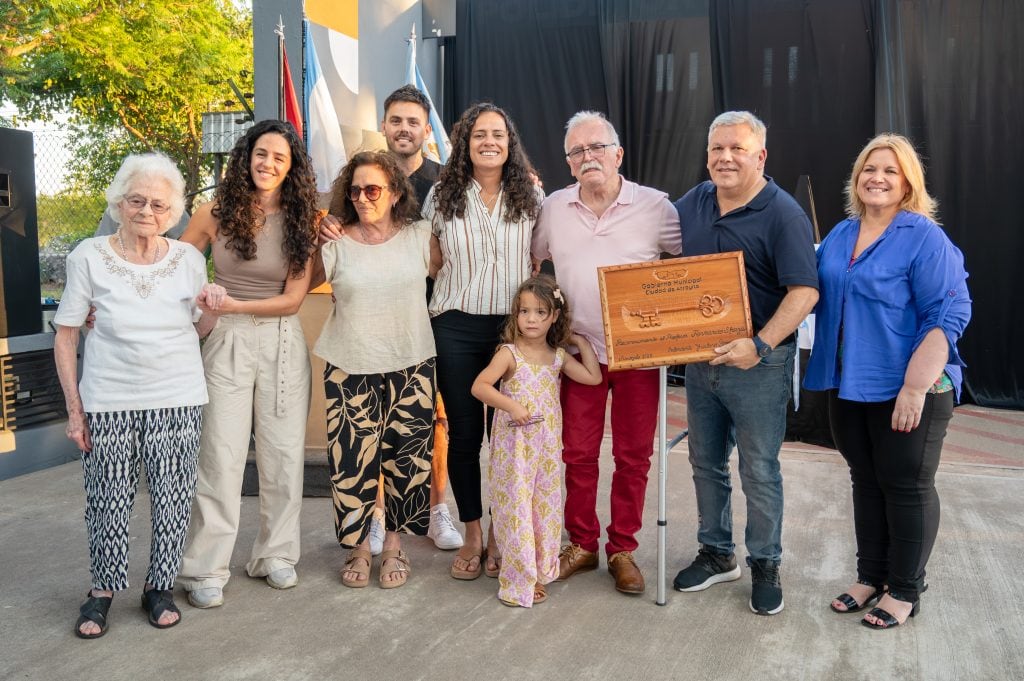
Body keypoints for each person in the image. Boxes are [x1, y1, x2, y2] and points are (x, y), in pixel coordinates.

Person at [804, 134, 971, 629]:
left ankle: (904, 589)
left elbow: (949, 311)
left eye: (890, 171)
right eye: (868, 169)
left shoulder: (922, 235)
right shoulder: (840, 234)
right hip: (848, 383)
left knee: (906, 486)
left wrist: (915, 387)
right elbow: (811, 290)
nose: (877, 178)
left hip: (909, 386)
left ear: (907, 183)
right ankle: (870, 575)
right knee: (866, 481)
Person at [53, 153, 214, 638]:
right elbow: (66, 335)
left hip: (179, 395)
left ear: (174, 212)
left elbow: (201, 329)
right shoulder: (87, 255)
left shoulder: (188, 259)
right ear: (119, 203)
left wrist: (214, 309)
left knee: (173, 496)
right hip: (108, 399)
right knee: (107, 499)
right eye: (137, 200)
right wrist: (74, 412)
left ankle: (159, 586)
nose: (147, 211)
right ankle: (102, 590)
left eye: (159, 205)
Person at [671, 111, 819, 615]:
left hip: (759, 365)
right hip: (701, 364)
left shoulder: (784, 214)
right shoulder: (693, 203)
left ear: (761, 156)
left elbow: (804, 292)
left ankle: (765, 562)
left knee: (758, 469)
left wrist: (758, 345)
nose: (725, 158)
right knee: (705, 464)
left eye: (737, 148)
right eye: (717, 149)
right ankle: (717, 554)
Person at [531, 111, 681, 595]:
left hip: (639, 352)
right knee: (576, 453)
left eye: (596, 147)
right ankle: (582, 542)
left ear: (618, 154)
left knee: (633, 456)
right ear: (569, 163)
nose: (587, 157)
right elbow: (534, 261)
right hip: (578, 351)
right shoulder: (553, 207)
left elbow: (686, 268)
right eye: (576, 151)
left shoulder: (657, 207)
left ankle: (623, 548)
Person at [176, 119, 319, 608]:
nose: (269, 164)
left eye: (280, 157)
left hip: (281, 339)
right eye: (262, 153)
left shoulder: (304, 220)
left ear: (292, 166)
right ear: (247, 156)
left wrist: (231, 304)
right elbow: (172, 265)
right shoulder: (214, 212)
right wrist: (202, 311)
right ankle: (204, 568)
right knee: (220, 455)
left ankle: (275, 555)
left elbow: (293, 300)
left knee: (282, 454)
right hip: (226, 338)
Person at [313, 151, 441, 589]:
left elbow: (450, 273)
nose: (363, 198)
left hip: (411, 361)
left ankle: (393, 545)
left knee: (407, 461)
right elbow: (299, 281)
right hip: (350, 363)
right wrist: (317, 236)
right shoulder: (335, 240)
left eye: (373, 189)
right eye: (355, 190)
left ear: (395, 193)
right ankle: (358, 548)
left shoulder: (421, 235)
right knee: (352, 463)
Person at [426, 102, 543, 581]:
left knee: (508, 439)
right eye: (478, 135)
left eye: (498, 134)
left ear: (510, 142)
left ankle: (504, 530)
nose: (489, 142)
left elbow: (541, 260)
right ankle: (473, 531)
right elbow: (432, 261)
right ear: (464, 143)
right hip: (454, 326)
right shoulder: (441, 195)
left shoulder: (533, 197)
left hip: (510, 332)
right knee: (465, 436)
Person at [471, 276, 602, 607]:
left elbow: (593, 377)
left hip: (544, 449)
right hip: (514, 449)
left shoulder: (557, 357)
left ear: (554, 317)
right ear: (515, 314)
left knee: (542, 507)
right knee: (516, 509)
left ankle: (539, 570)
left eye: (540, 312)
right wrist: (512, 405)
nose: (531, 319)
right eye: (524, 311)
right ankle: (518, 580)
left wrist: (581, 343)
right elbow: (480, 386)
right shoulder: (509, 353)